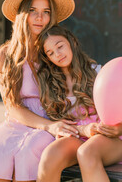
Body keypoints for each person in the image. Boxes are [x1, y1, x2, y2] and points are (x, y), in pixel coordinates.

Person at [0, 0, 75, 182]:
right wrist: (48, 126)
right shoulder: (4, 55)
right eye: (33, 10)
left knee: (28, 154)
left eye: (46, 11)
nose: (40, 17)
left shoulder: (54, 51)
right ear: (22, 14)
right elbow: (12, 107)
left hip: (50, 120)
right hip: (16, 123)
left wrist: (54, 125)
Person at [36, 25, 122, 182]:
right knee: (50, 156)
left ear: (72, 42)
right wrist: (84, 129)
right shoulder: (52, 86)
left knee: (87, 153)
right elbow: (61, 124)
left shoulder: (97, 73)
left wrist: (118, 128)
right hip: (79, 136)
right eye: (50, 53)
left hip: (111, 139)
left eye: (60, 46)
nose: (58, 54)